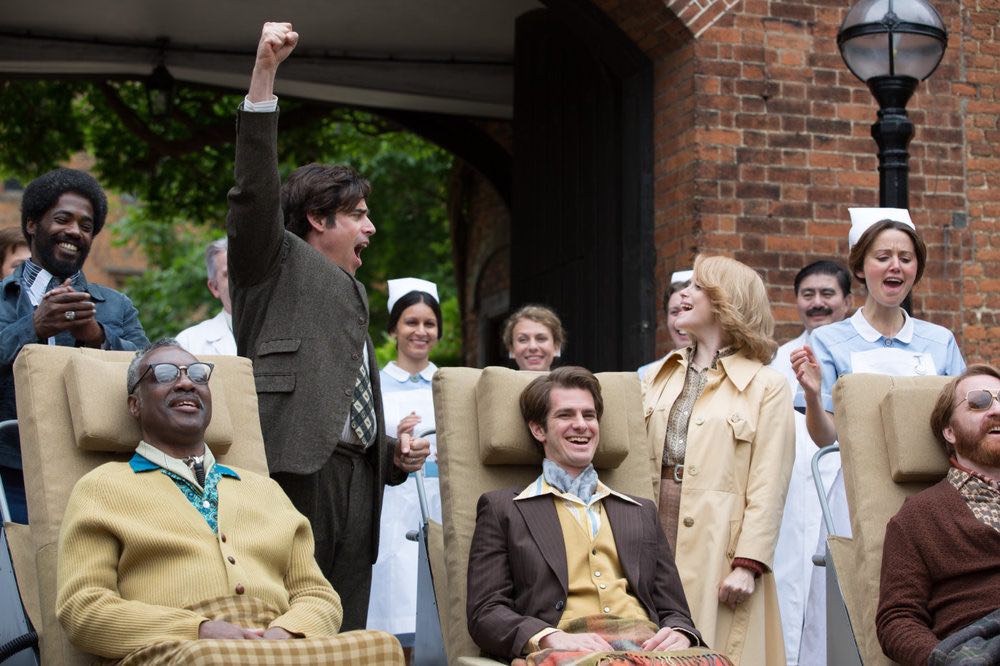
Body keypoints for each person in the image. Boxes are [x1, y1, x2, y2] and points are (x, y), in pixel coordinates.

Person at [225, 22, 429, 630]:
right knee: (286, 624)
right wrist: (264, 76)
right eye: (358, 215)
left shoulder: (350, 290)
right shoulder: (270, 258)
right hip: (292, 471)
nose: (370, 229)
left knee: (343, 627)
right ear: (316, 217)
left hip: (358, 484)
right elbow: (253, 191)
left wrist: (392, 455)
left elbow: (339, 396)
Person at [55, 339, 403, 664]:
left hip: (279, 647)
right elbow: (83, 608)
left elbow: (318, 594)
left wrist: (285, 632)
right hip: (178, 649)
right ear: (135, 403)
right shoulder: (102, 488)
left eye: (196, 374)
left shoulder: (264, 490)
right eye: (163, 375)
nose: (186, 383)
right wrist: (200, 629)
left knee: (383, 648)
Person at [790, 209, 966, 662]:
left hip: (930, 491)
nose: (895, 267)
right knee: (858, 591)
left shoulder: (939, 341)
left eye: (906, 258)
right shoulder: (830, 341)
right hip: (856, 491)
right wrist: (812, 395)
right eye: (882, 256)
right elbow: (826, 435)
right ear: (860, 267)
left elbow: (960, 420)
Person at [467, 366, 704, 663]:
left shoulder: (641, 511)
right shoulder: (503, 508)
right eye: (565, 415)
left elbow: (675, 611)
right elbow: (485, 612)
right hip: (569, 648)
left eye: (589, 416)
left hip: (647, 648)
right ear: (538, 429)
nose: (581, 425)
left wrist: (680, 632)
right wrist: (549, 637)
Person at [642, 255, 795, 665]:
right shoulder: (659, 377)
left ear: (727, 301)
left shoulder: (768, 386)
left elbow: (770, 483)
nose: (684, 294)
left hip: (720, 551)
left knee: (712, 651)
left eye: (696, 287)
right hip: (652, 532)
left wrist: (749, 563)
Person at [1, 168, 148, 523]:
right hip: (8, 474)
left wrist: (98, 337)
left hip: (93, 473)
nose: (74, 231)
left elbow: (150, 374)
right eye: (63, 219)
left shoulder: (116, 306)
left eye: (86, 226)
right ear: (33, 224)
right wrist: (33, 327)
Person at [876, 365, 1000, 666]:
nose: (996, 410)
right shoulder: (919, 515)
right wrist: (942, 661)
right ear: (950, 431)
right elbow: (897, 619)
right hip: (979, 646)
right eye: (980, 401)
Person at [769, 260, 852, 665]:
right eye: (808, 295)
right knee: (792, 578)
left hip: (845, 474)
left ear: (848, 301)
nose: (817, 303)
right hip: (796, 481)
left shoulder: (855, 351)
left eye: (827, 294)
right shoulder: (781, 357)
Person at [367, 277, 443, 649]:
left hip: (438, 502)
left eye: (429, 323)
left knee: (439, 608)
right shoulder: (375, 385)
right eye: (411, 322)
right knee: (394, 605)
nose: (420, 331)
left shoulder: (448, 384)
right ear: (394, 328)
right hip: (392, 507)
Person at [176, 238, 237, 356]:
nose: (239, 279)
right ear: (214, 287)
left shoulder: (281, 332)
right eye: (228, 274)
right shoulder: (187, 344)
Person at [638, 269, 692, 379]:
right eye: (674, 312)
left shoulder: (726, 372)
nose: (681, 320)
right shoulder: (646, 375)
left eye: (688, 309)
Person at [502, 304, 565, 371]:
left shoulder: (573, 381)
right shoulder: (496, 381)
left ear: (556, 347)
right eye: (523, 340)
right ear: (511, 349)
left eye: (541, 339)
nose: (532, 347)